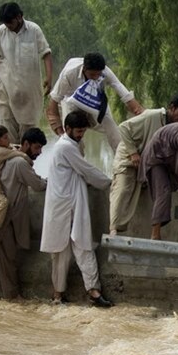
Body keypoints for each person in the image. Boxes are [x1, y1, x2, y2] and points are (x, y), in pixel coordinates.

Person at [40, 111, 113, 307]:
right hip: (63, 205)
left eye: (83, 132)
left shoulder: (73, 144)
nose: (81, 135)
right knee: (60, 253)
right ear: (67, 129)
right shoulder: (65, 147)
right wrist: (111, 183)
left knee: (84, 246)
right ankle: (58, 294)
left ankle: (93, 291)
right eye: (79, 131)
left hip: (72, 202)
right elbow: (87, 170)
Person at [0, 127, 47, 300]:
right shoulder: (19, 162)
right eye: (37, 148)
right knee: (8, 258)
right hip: (2, 217)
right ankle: (12, 297)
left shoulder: (9, 155)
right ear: (26, 144)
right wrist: (51, 182)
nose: (40, 152)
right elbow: (38, 185)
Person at [108, 93, 178, 235]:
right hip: (129, 159)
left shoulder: (177, 126)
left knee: (166, 188)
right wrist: (133, 153)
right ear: (171, 108)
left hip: (148, 162)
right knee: (123, 189)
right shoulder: (152, 116)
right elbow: (123, 127)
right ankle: (113, 230)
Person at [46, 52, 144, 151]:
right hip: (72, 102)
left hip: (96, 102)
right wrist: (61, 133)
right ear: (84, 69)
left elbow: (123, 92)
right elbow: (53, 104)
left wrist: (141, 112)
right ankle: (75, 161)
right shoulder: (69, 73)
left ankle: (124, 159)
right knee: (72, 141)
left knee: (115, 133)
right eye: (92, 74)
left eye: (98, 74)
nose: (96, 77)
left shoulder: (105, 72)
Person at [0, 3, 52, 145]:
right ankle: (11, 164)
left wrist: (49, 77)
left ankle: (25, 165)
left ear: (19, 17)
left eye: (10, 22)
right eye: (5, 23)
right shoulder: (0, 32)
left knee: (28, 135)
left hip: (29, 91)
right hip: (5, 88)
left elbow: (46, 53)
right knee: (7, 130)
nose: (8, 26)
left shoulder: (34, 30)